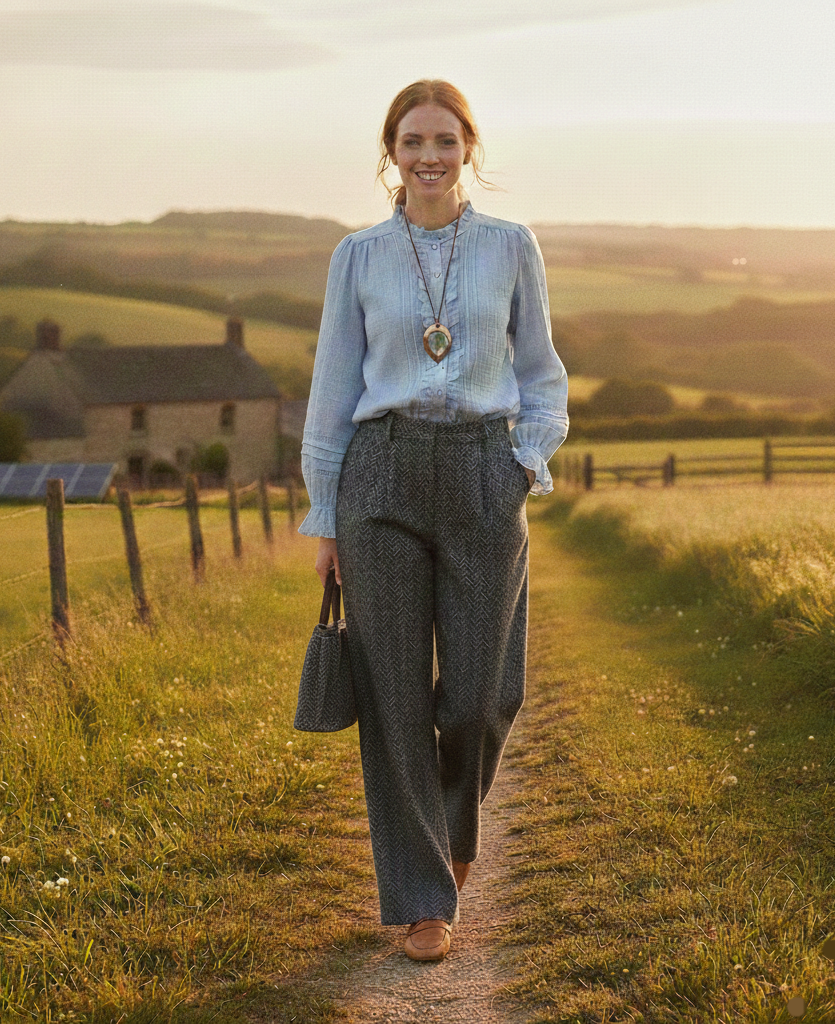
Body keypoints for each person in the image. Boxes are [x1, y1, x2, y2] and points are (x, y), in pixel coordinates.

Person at [297, 79, 568, 961]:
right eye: (411, 140)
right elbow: (334, 390)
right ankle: (423, 892)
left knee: (486, 696)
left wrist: (522, 459)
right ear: (390, 151)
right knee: (394, 692)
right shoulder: (358, 256)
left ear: (468, 149)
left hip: (484, 471)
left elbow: (542, 374)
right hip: (380, 478)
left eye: (444, 140)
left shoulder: (510, 245)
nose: (428, 156)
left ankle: (448, 829)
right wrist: (326, 516)